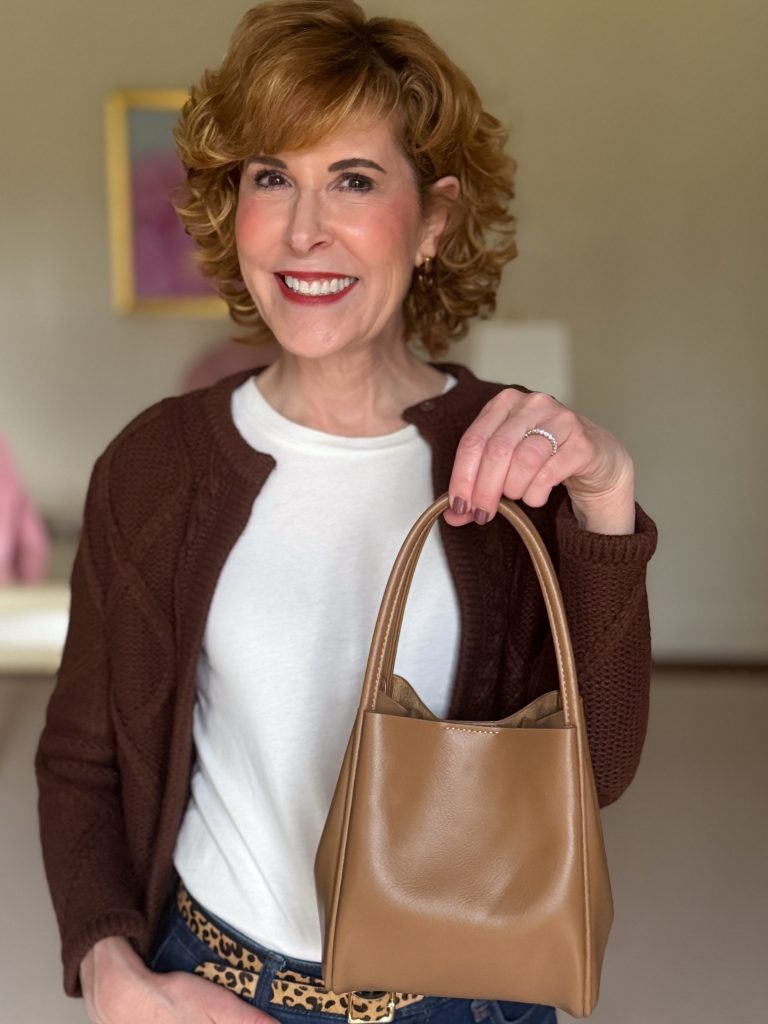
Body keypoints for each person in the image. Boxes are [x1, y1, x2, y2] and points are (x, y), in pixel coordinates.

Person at [36, 3, 657, 1024]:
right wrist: (110, 968)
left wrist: (607, 494)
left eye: (354, 180)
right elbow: (81, 757)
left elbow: (599, 768)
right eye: (270, 176)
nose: (302, 229)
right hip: (214, 980)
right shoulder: (153, 467)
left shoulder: (507, 460)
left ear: (436, 220)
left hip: (463, 994)